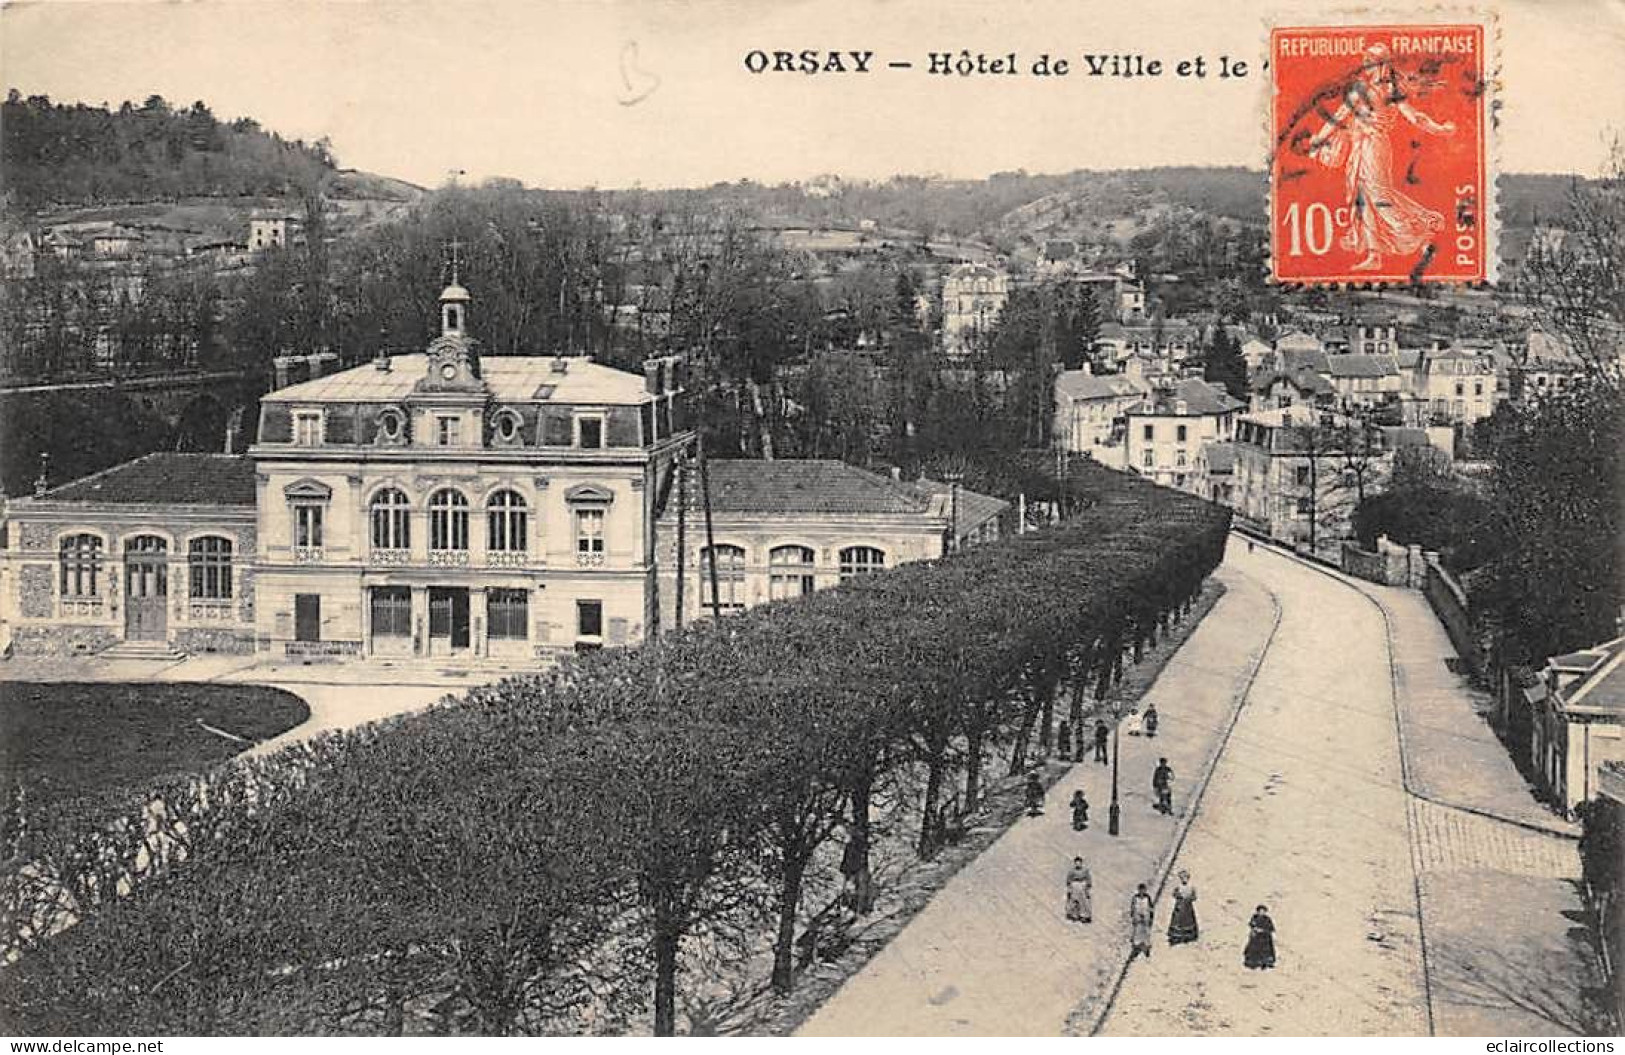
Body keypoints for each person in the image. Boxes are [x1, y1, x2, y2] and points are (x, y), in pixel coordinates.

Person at [1306, 42, 1454, 273]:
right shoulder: (1366, 89)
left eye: (1371, 61)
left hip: (1374, 146)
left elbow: (1414, 116)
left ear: (1382, 64)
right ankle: (1374, 254)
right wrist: (1318, 139)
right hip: (1361, 145)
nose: (1367, 65)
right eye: (1366, 61)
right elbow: (1340, 116)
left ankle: (1417, 235)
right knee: (1361, 197)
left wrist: (1439, 129)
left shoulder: (1386, 90)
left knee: (1377, 194)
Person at [1167, 869, 1199, 945]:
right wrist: (1179, 897)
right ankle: (1177, 935)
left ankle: (1189, 935)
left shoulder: (1191, 887)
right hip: (1180, 906)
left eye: (1185, 877)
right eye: (1182, 878)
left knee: (1188, 920)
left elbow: (1194, 897)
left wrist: (1189, 898)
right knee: (1178, 920)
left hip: (1188, 907)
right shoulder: (1178, 887)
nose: (1184, 879)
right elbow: (1174, 894)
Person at [1244, 905, 1277, 969]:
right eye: (1260, 911)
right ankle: (1253, 963)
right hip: (1256, 938)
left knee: (1266, 950)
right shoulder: (1255, 917)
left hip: (1265, 938)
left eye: (1263, 911)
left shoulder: (1267, 919)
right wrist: (1255, 929)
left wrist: (1264, 930)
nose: (1261, 912)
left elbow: (1271, 928)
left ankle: (1265, 963)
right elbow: (1251, 925)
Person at [1129, 883, 1155, 959]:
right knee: (1137, 932)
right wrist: (1133, 916)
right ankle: (1136, 948)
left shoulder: (1148, 898)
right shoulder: (1135, 898)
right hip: (1138, 917)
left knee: (1146, 933)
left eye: (1143, 890)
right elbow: (1133, 908)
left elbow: (1151, 908)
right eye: (1140, 890)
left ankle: (1146, 949)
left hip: (1146, 917)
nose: (1142, 892)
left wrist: (1151, 917)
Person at [1065, 857, 1093, 923]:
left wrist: (1088, 887)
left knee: (1084, 901)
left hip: (1083, 886)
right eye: (1076, 863)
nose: (1078, 864)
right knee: (1074, 900)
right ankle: (1074, 915)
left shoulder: (1085, 870)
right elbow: (1068, 880)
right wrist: (1069, 888)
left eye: (1079, 863)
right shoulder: (1071, 871)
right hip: (1075, 885)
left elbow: (1088, 878)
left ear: (1081, 863)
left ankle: (1084, 916)